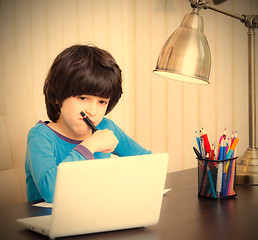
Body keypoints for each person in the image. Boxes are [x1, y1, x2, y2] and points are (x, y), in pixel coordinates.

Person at [25, 45, 151, 203]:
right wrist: (89, 146)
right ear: (57, 96)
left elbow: (147, 162)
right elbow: (51, 191)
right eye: (83, 98)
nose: (93, 111)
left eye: (102, 102)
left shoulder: (106, 128)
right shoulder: (41, 136)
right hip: (47, 220)